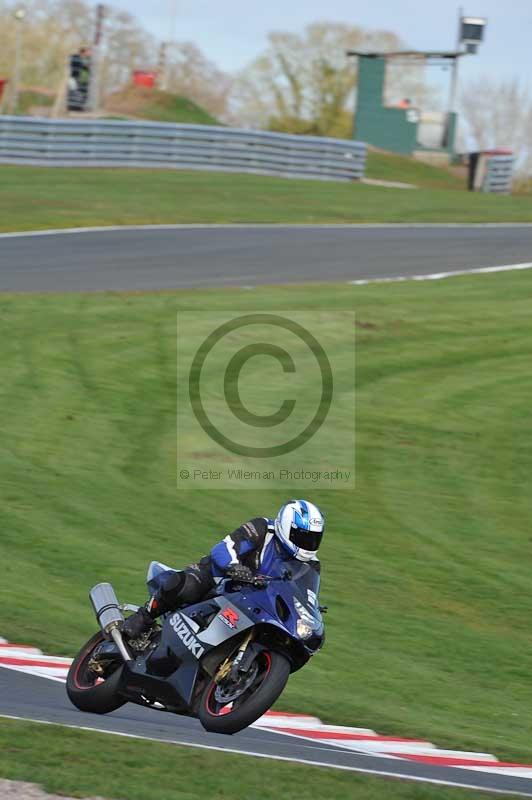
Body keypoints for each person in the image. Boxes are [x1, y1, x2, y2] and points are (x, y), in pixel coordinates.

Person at [122, 499, 325, 640]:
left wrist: (311, 610)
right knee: (188, 585)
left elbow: (306, 594)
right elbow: (224, 548)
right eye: (303, 537)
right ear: (286, 526)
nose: (308, 543)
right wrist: (234, 567)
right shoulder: (263, 528)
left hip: (257, 601)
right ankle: (143, 617)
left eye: (314, 538)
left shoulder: (311, 565)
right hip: (220, 580)